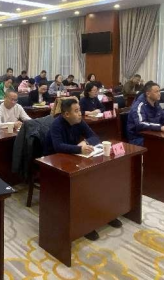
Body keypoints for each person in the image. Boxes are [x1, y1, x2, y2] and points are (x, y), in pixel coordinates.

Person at [45, 99, 120, 240]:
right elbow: (58, 147)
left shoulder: (79, 121)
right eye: (76, 111)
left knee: (101, 177)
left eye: (79, 110)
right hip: (55, 163)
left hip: (73, 157)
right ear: (66, 114)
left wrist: (85, 142)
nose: (80, 113)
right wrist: (79, 148)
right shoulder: (56, 124)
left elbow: (94, 137)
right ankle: (85, 223)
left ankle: (106, 213)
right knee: (84, 184)